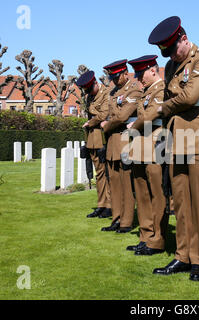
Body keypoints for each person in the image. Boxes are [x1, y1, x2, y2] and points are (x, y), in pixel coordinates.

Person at [148, 16, 199, 281]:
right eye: (166, 53)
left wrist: (162, 108)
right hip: (177, 139)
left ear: (183, 39)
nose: (171, 56)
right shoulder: (171, 67)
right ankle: (182, 255)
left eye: (172, 50)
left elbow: (189, 97)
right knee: (180, 200)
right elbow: (175, 100)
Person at [125, 55, 169, 256]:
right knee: (141, 195)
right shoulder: (147, 91)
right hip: (141, 146)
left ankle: (157, 239)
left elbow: (152, 115)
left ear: (153, 70)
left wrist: (133, 125)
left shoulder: (161, 89)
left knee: (157, 195)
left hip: (154, 145)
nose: (139, 78)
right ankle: (145, 236)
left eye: (141, 74)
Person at [100, 60, 142, 233]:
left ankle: (126, 221)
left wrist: (107, 125)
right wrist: (111, 121)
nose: (115, 81)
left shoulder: (134, 88)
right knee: (115, 186)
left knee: (126, 185)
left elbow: (122, 116)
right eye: (112, 78)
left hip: (125, 141)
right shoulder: (113, 92)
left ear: (125, 73)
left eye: (117, 77)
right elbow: (113, 114)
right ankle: (116, 218)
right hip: (112, 143)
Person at [76, 71, 112, 219]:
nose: (88, 93)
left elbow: (103, 114)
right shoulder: (89, 96)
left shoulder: (106, 93)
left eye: (90, 89)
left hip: (102, 138)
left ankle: (110, 205)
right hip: (92, 139)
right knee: (99, 175)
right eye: (86, 90)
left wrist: (90, 121)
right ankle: (101, 205)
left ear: (95, 83)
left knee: (106, 174)